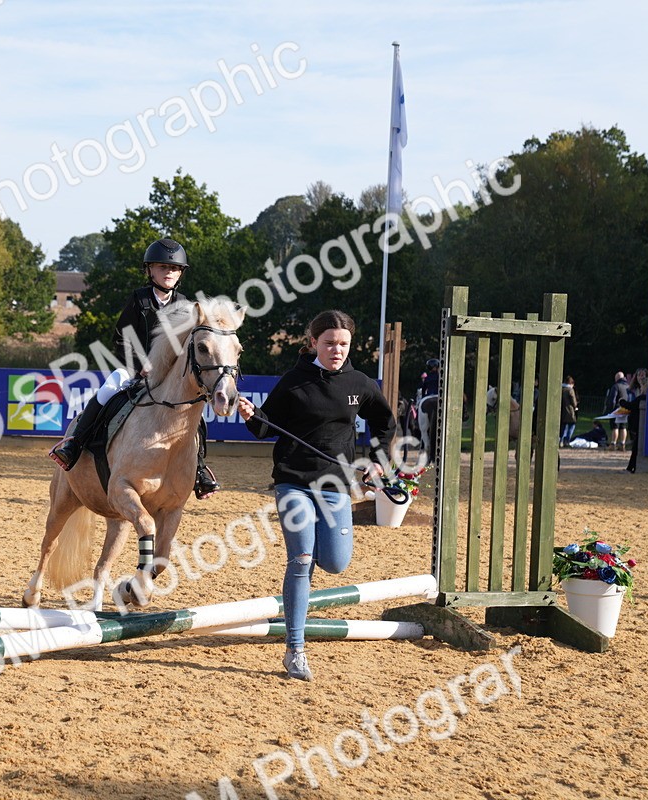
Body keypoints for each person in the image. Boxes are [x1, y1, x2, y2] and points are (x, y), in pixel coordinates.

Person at [237, 310, 396, 681]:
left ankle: (299, 620)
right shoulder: (294, 381)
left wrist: (377, 460)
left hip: (336, 486)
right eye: (328, 343)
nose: (336, 350)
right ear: (313, 343)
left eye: (343, 344)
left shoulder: (360, 383)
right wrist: (249, 414)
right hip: (293, 482)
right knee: (301, 558)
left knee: (337, 564)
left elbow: (384, 423)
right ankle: (295, 649)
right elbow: (263, 427)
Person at [48, 237, 220, 500]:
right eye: (163, 267)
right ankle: (74, 445)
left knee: (197, 415)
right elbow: (120, 339)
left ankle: (199, 470)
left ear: (180, 273)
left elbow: (186, 348)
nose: (169, 272)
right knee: (107, 389)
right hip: (133, 370)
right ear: (150, 270)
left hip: (169, 377)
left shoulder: (185, 305)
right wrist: (140, 365)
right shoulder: (138, 300)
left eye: (174, 269)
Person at [619, 368, 648, 473]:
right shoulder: (633, 391)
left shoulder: (642, 396)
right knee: (635, 446)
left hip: (639, 422)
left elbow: (631, 405)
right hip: (634, 421)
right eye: (639, 375)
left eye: (643, 375)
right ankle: (631, 467)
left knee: (636, 447)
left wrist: (621, 402)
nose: (641, 377)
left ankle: (631, 468)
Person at [604, 371, 631, 450]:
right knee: (623, 427)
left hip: (617, 409)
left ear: (617, 378)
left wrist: (610, 410)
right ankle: (622, 444)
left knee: (615, 427)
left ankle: (613, 444)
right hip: (625, 409)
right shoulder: (628, 386)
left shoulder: (616, 386)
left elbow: (612, 400)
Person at [559, 375, 579, 447]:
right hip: (569, 410)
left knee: (563, 426)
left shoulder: (560, 388)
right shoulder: (570, 390)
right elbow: (573, 401)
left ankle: (560, 440)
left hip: (561, 410)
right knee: (572, 425)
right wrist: (575, 406)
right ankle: (567, 440)